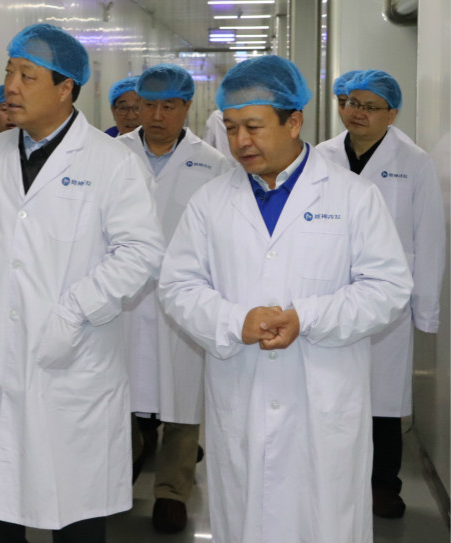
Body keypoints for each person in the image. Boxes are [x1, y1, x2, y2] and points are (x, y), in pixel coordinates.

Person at [0, 23, 166, 542]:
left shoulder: (112, 162)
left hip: (71, 361)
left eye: (27, 76)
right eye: (9, 72)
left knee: (73, 513)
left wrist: (72, 312)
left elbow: (141, 253)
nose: (10, 86)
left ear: (64, 88)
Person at [157, 54, 413, 543]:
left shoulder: (352, 196)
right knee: (246, 517)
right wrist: (234, 320)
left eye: (253, 127)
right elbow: (177, 286)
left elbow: (388, 288)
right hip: (241, 395)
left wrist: (307, 317)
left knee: (324, 521)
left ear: (293, 122)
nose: (240, 142)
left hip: (323, 399)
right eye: (231, 128)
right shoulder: (211, 200)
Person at [317, 69, 446, 519]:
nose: (358, 113)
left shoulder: (414, 162)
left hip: (386, 297)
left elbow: (429, 237)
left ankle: (383, 484)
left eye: (371, 107)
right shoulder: (321, 156)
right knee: (332, 396)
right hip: (330, 292)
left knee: (384, 401)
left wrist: (425, 309)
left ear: (392, 114)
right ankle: (335, 482)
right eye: (352, 102)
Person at [117, 63, 231, 533]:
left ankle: (172, 490)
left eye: (169, 106)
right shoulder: (112, 154)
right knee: (115, 391)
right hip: (121, 296)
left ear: (187, 107)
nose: (157, 115)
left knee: (184, 397)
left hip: (184, 297)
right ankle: (116, 476)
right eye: (149, 105)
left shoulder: (214, 164)